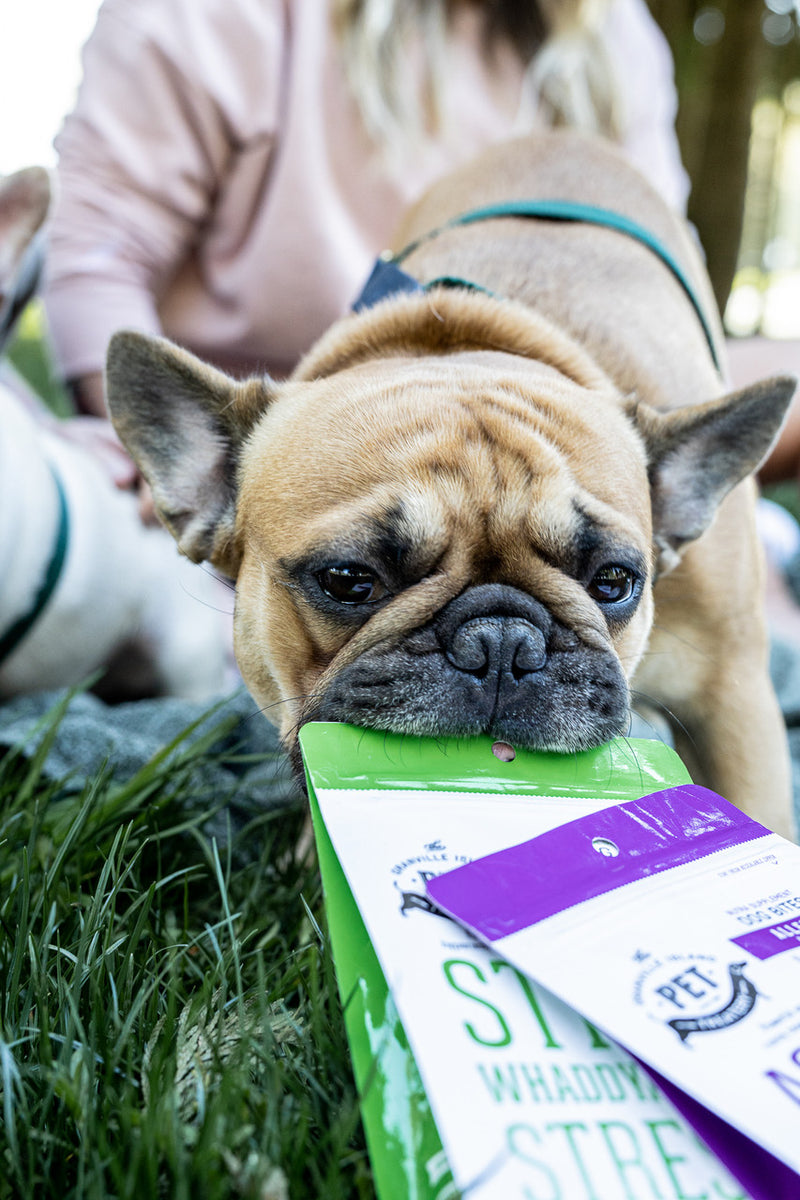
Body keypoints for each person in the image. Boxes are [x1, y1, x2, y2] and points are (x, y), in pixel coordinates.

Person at [43, 0, 689, 432]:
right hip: (273, 428)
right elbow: (99, 255)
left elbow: (665, 299)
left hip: (553, 439)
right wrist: (182, 462)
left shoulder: (616, 35)